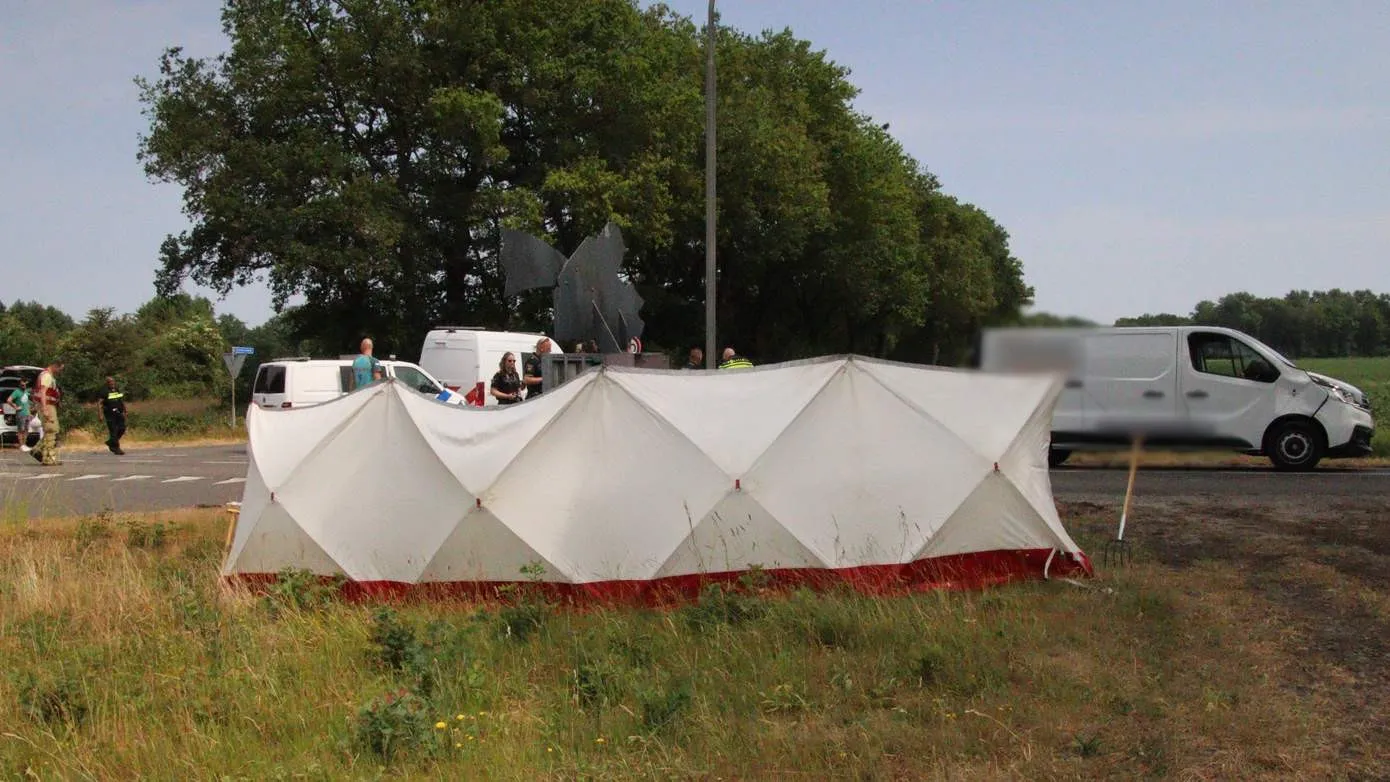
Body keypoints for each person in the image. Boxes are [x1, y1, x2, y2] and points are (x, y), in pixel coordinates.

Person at [31, 360, 63, 466]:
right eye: (59, 369)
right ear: (54, 366)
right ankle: (48, 458)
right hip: (48, 405)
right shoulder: (47, 376)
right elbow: (43, 392)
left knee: (51, 430)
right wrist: (44, 408)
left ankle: (38, 450)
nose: (60, 371)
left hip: (49, 405)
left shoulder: (46, 375)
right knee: (51, 430)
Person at [99, 376, 127, 455]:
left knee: (122, 428)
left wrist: (125, 410)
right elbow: (99, 403)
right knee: (113, 431)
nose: (112, 383)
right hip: (109, 414)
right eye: (110, 382)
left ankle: (111, 442)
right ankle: (116, 448)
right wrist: (100, 415)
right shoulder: (104, 391)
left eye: (113, 381)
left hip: (118, 412)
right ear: (107, 383)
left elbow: (121, 400)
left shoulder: (116, 390)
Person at [7, 379, 32, 452]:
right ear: (19, 385)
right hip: (20, 414)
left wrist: (30, 412)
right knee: (21, 430)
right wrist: (15, 407)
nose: (23, 386)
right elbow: (8, 400)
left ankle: (24, 445)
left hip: (27, 414)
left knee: (26, 430)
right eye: (22, 385)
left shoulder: (26, 392)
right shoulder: (17, 392)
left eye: (24, 385)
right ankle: (21, 445)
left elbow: (28, 402)